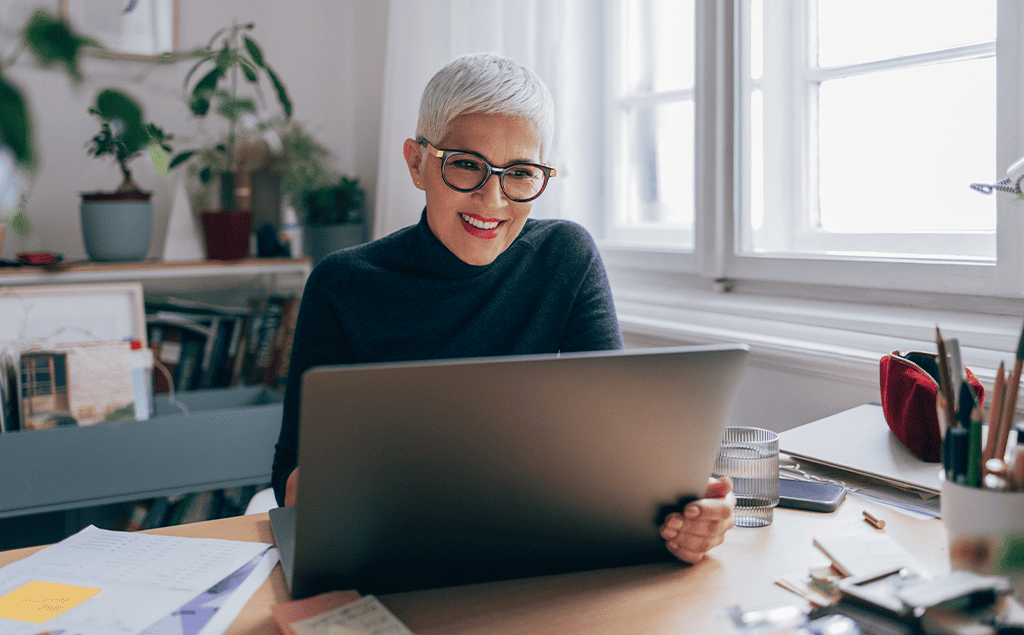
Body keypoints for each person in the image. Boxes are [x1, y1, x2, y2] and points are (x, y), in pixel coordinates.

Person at [271, 52, 735, 565]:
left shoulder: (565, 256)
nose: (493, 200)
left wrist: (689, 509)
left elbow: (618, 447)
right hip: (390, 557)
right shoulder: (342, 284)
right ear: (416, 162)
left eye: (519, 173)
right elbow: (291, 483)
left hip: (529, 554)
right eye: (466, 165)